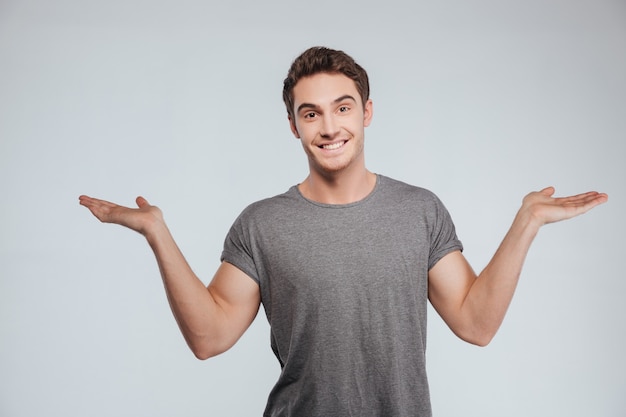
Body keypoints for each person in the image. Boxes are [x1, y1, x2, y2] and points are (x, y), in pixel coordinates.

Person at [79, 46, 608, 416]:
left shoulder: (419, 210)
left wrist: (527, 223)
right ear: (293, 125)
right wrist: (157, 234)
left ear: (367, 112)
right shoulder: (262, 224)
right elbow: (208, 337)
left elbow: (476, 323)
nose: (329, 127)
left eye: (342, 107)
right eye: (311, 114)